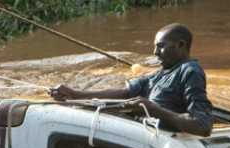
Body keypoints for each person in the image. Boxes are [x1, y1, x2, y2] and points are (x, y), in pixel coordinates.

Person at [49, 23, 213, 137]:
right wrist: (74, 94)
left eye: (161, 46)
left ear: (181, 45)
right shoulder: (160, 74)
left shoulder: (190, 71)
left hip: (163, 138)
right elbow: (124, 93)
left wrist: (152, 109)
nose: (155, 52)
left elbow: (203, 126)